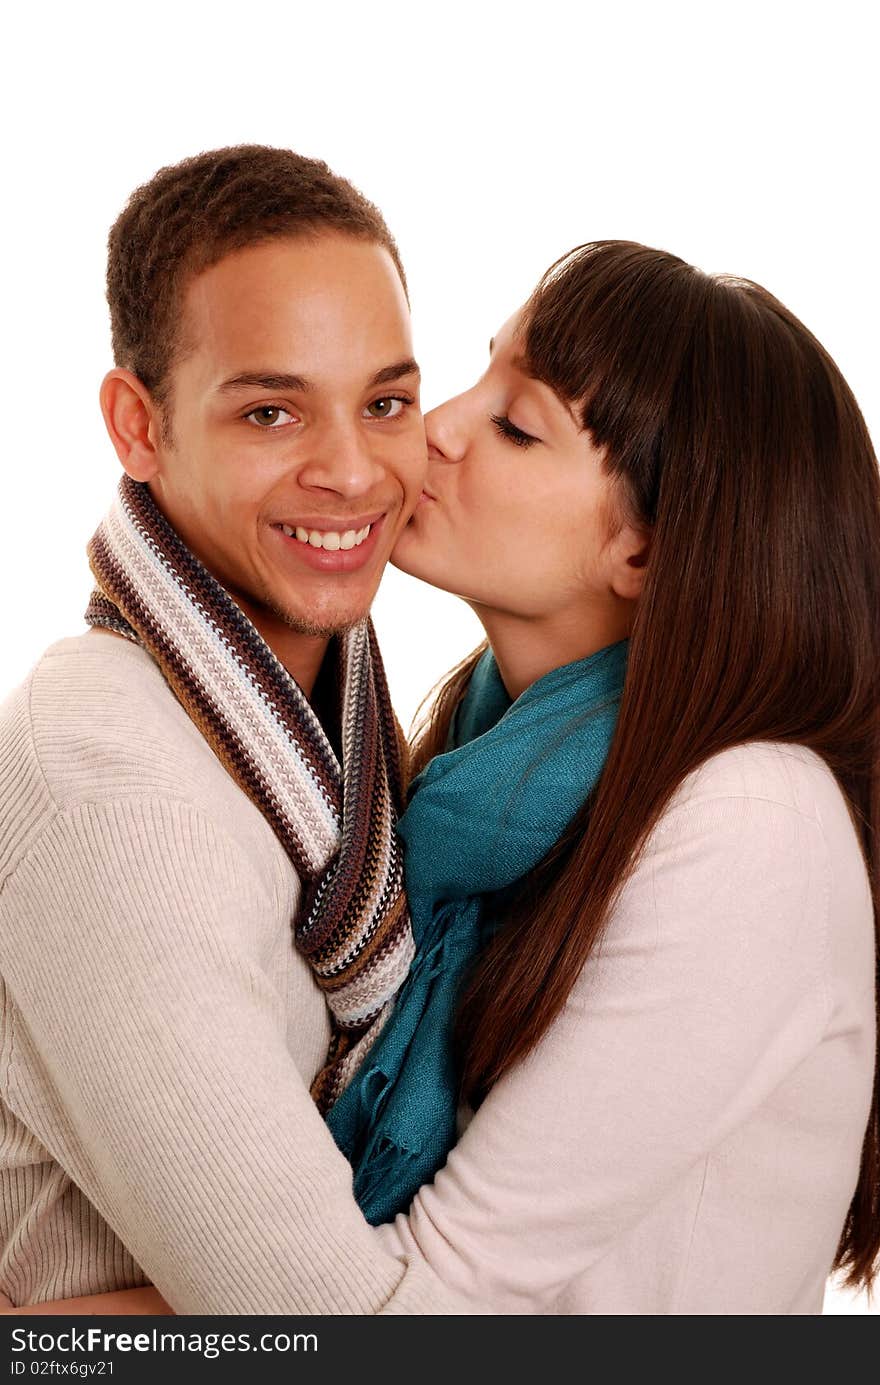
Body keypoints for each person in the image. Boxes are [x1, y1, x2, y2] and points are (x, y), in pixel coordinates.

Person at [5, 238, 879, 1315]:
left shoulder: (751, 819)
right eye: (477, 375)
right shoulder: (476, 778)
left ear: (645, 553)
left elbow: (421, 1311)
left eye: (517, 425)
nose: (438, 430)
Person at [0, 144, 469, 1314]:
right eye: (271, 410)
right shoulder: (115, 785)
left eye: (387, 402)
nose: (355, 470)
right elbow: (335, 1326)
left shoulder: (347, 731)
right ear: (137, 425)